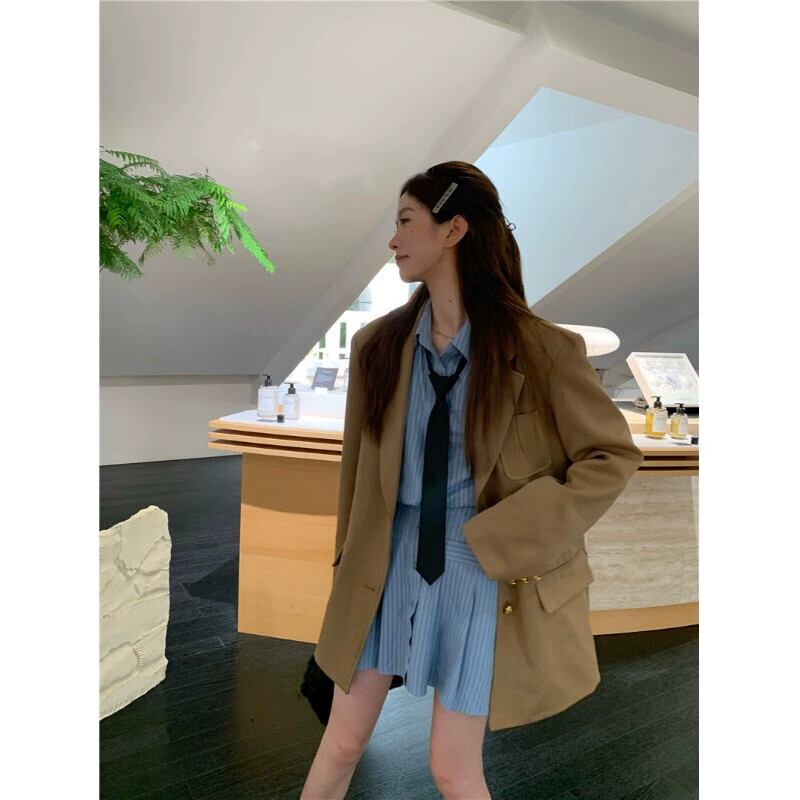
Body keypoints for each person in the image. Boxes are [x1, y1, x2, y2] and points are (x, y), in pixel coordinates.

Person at [301, 162, 643, 800]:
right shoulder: (378, 347)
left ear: (453, 229)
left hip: (481, 571)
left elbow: (610, 455)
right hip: (386, 563)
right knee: (341, 743)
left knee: (452, 769)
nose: (394, 239)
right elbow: (356, 475)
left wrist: (510, 535)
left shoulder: (542, 350)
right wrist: (345, 563)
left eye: (406, 221)